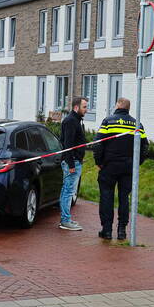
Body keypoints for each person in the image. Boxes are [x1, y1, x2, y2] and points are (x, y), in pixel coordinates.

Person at [92, 97, 148, 240]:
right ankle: (122, 230)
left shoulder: (108, 121)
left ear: (118, 105)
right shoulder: (137, 124)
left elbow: (98, 143)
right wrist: (137, 163)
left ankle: (107, 230)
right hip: (128, 167)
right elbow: (145, 147)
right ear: (128, 108)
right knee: (124, 198)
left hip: (109, 166)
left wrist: (99, 162)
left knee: (106, 197)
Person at [58, 96, 88, 230]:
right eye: (84, 107)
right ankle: (65, 221)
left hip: (76, 160)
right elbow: (68, 144)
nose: (86, 109)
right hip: (72, 162)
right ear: (76, 107)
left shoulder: (76, 120)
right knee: (68, 191)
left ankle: (66, 218)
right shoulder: (71, 121)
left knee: (68, 190)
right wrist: (71, 164)